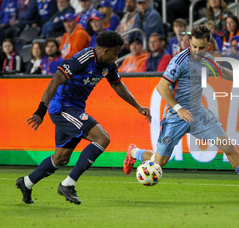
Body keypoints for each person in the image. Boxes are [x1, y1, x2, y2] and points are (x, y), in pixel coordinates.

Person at [123, 25, 239, 200]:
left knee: (228, 147)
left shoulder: (207, 59)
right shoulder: (179, 61)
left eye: (201, 48)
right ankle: (134, 153)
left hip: (198, 114)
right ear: (189, 43)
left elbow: (222, 71)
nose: (196, 51)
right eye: (193, 46)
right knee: (159, 163)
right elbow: (161, 87)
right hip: (175, 116)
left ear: (208, 45)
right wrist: (179, 109)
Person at [17, 31, 151, 205]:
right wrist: (41, 111)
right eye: (115, 53)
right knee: (102, 138)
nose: (116, 57)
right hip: (63, 107)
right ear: (105, 51)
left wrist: (138, 106)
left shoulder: (108, 64)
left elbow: (117, 85)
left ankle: (26, 182)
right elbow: (54, 81)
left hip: (76, 109)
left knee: (61, 158)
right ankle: (68, 184)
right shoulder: (82, 60)